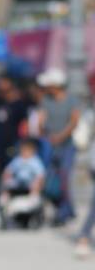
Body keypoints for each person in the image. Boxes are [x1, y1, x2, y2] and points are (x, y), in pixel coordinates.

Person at [37, 68, 80, 226]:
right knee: (50, 179)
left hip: (67, 145)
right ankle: (60, 210)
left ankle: (66, 211)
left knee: (64, 178)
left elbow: (74, 121)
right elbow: (41, 118)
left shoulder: (71, 100)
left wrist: (61, 136)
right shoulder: (46, 100)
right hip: (50, 144)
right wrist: (43, 131)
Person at [0, 138, 45, 223]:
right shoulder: (17, 160)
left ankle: (33, 201)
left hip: (30, 184)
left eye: (27, 150)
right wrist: (7, 177)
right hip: (18, 184)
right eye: (23, 150)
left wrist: (37, 183)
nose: (25, 153)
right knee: (7, 185)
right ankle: (4, 203)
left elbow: (40, 175)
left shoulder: (35, 161)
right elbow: (8, 171)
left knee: (36, 185)